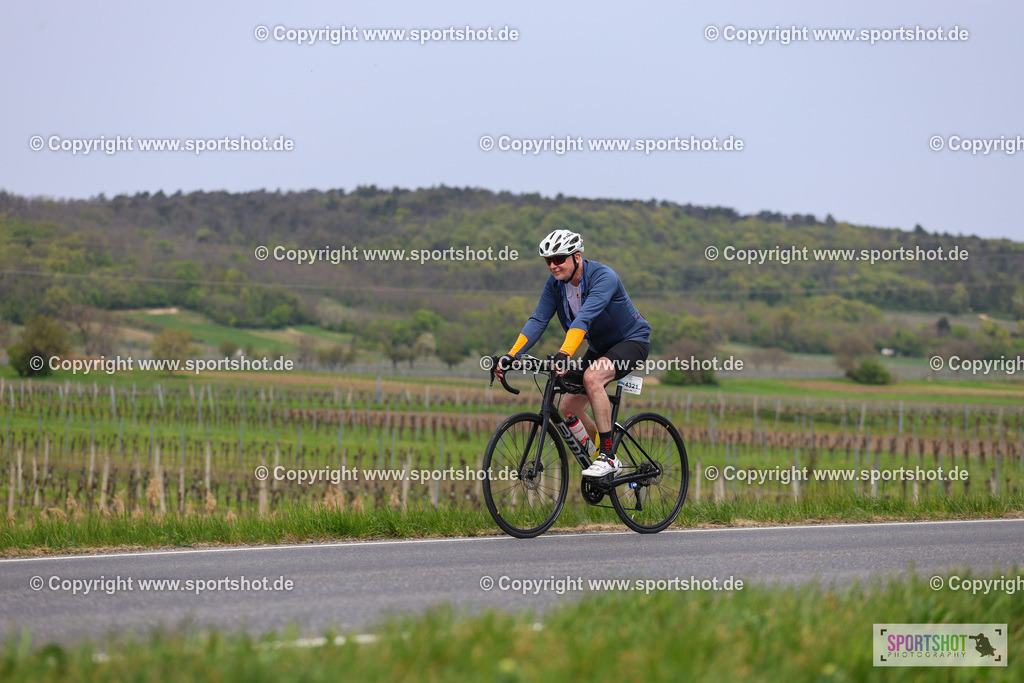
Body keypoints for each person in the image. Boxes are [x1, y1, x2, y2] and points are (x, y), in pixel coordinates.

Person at [494, 229, 651, 477]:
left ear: (576, 257)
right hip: (600, 348)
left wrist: (565, 353)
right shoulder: (555, 285)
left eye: (559, 259)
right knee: (568, 407)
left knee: (592, 378)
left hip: (632, 341)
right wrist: (512, 355)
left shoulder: (603, 277)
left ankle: (608, 458)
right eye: (548, 261)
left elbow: (585, 318)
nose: (553, 266)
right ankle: (601, 451)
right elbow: (538, 320)